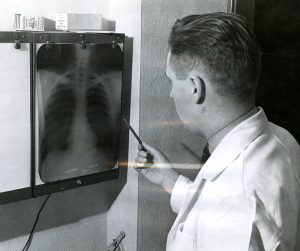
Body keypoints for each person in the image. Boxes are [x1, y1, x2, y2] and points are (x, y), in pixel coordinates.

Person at [135, 12, 300, 251]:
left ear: (195, 88)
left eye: (171, 81)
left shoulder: (230, 206)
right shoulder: (284, 140)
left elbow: (226, 211)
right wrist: (169, 180)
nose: (171, 94)